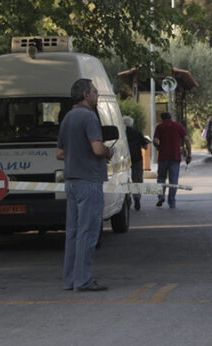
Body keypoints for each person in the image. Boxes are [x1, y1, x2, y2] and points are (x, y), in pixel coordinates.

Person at [57, 79, 113, 292]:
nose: (97, 94)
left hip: (71, 181)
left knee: (72, 233)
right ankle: (84, 280)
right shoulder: (89, 117)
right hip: (89, 181)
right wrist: (109, 152)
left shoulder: (67, 118)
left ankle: (70, 279)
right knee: (88, 233)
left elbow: (60, 153)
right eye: (95, 91)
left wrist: (77, 154)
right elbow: (98, 149)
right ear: (86, 94)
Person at [154, 111, 192, 208]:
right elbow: (187, 140)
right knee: (173, 180)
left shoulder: (160, 127)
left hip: (163, 157)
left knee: (161, 178)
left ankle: (161, 196)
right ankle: (172, 202)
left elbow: (155, 141)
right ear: (171, 117)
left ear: (162, 118)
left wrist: (158, 148)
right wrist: (189, 154)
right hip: (175, 157)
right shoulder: (178, 126)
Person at [124, 116, 150, 211]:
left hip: (124, 160)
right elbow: (145, 146)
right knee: (137, 179)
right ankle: (137, 198)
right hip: (137, 158)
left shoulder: (121, 133)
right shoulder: (137, 133)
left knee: (124, 180)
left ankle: (127, 199)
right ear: (131, 123)